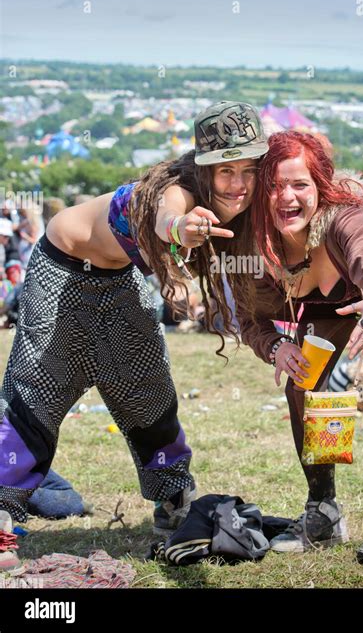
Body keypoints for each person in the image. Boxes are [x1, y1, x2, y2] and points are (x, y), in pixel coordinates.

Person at [0, 101, 268, 573]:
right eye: (226, 170)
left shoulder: (245, 202)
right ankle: (2, 517)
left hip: (120, 282)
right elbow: (168, 216)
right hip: (60, 270)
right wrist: (181, 231)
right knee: (37, 397)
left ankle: (174, 502)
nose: (239, 183)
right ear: (203, 168)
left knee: (148, 395)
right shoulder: (174, 190)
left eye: (249, 169)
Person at [236, 130, 363, 565]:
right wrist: (274, 347)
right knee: (301, 385)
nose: (285, 196)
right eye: (273, 185)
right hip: (331, 300)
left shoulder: (348, 220)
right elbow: (248, 317)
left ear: (320, 187)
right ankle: (323, 512)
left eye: (299, 184)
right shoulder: (256, 240)